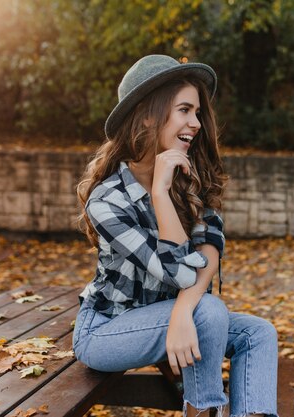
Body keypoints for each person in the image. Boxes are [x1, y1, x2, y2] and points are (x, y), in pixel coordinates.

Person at [73, 54, 278, 417]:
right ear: (148, 114)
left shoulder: (191, 178)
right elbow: (180, 273)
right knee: (210, 312)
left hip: (174, 315)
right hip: (107, 332)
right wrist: (159, 193)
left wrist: (183, 312)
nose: (196, 123)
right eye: (185, 110)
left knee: (257, 333)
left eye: (197, 112)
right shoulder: (108, 199)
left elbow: (209, 249)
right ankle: (202, 411)